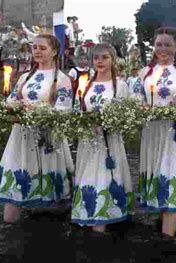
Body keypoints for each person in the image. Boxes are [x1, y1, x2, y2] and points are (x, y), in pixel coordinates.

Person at [0, 34, 74, 223]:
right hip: (21, 136)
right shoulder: (24, 77)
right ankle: (10, 227)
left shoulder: (62, 79)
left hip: (47, 138)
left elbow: (64, 109)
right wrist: (15, 106)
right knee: (16, 177)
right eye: (35, 47)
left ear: (54, 51)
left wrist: (38, 110)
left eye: (42, 48)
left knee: (53, 194)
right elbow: (12, 99)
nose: (37, 51)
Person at [132, 27, 176, 238]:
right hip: (154, 132)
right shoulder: (144, 73)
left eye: (168, 44)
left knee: (173, 171)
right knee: (159, 171)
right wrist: (143, 110)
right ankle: (163, 219)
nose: (162, 49)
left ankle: (167, 237)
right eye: (158, 44)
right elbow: (137, 100)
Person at [71, 43, 133, 233]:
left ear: (113, 60)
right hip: (88, 141)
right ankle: (88, 211)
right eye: (96, 57)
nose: (100, 61)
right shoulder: (85, 83)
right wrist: (82, 121)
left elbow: (126, 114)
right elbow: (77, 110)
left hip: (110, 142)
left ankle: (106, 216)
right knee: (89, 174)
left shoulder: (120, 86)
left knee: (106, 175)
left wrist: (109, 123)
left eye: (105, 57)